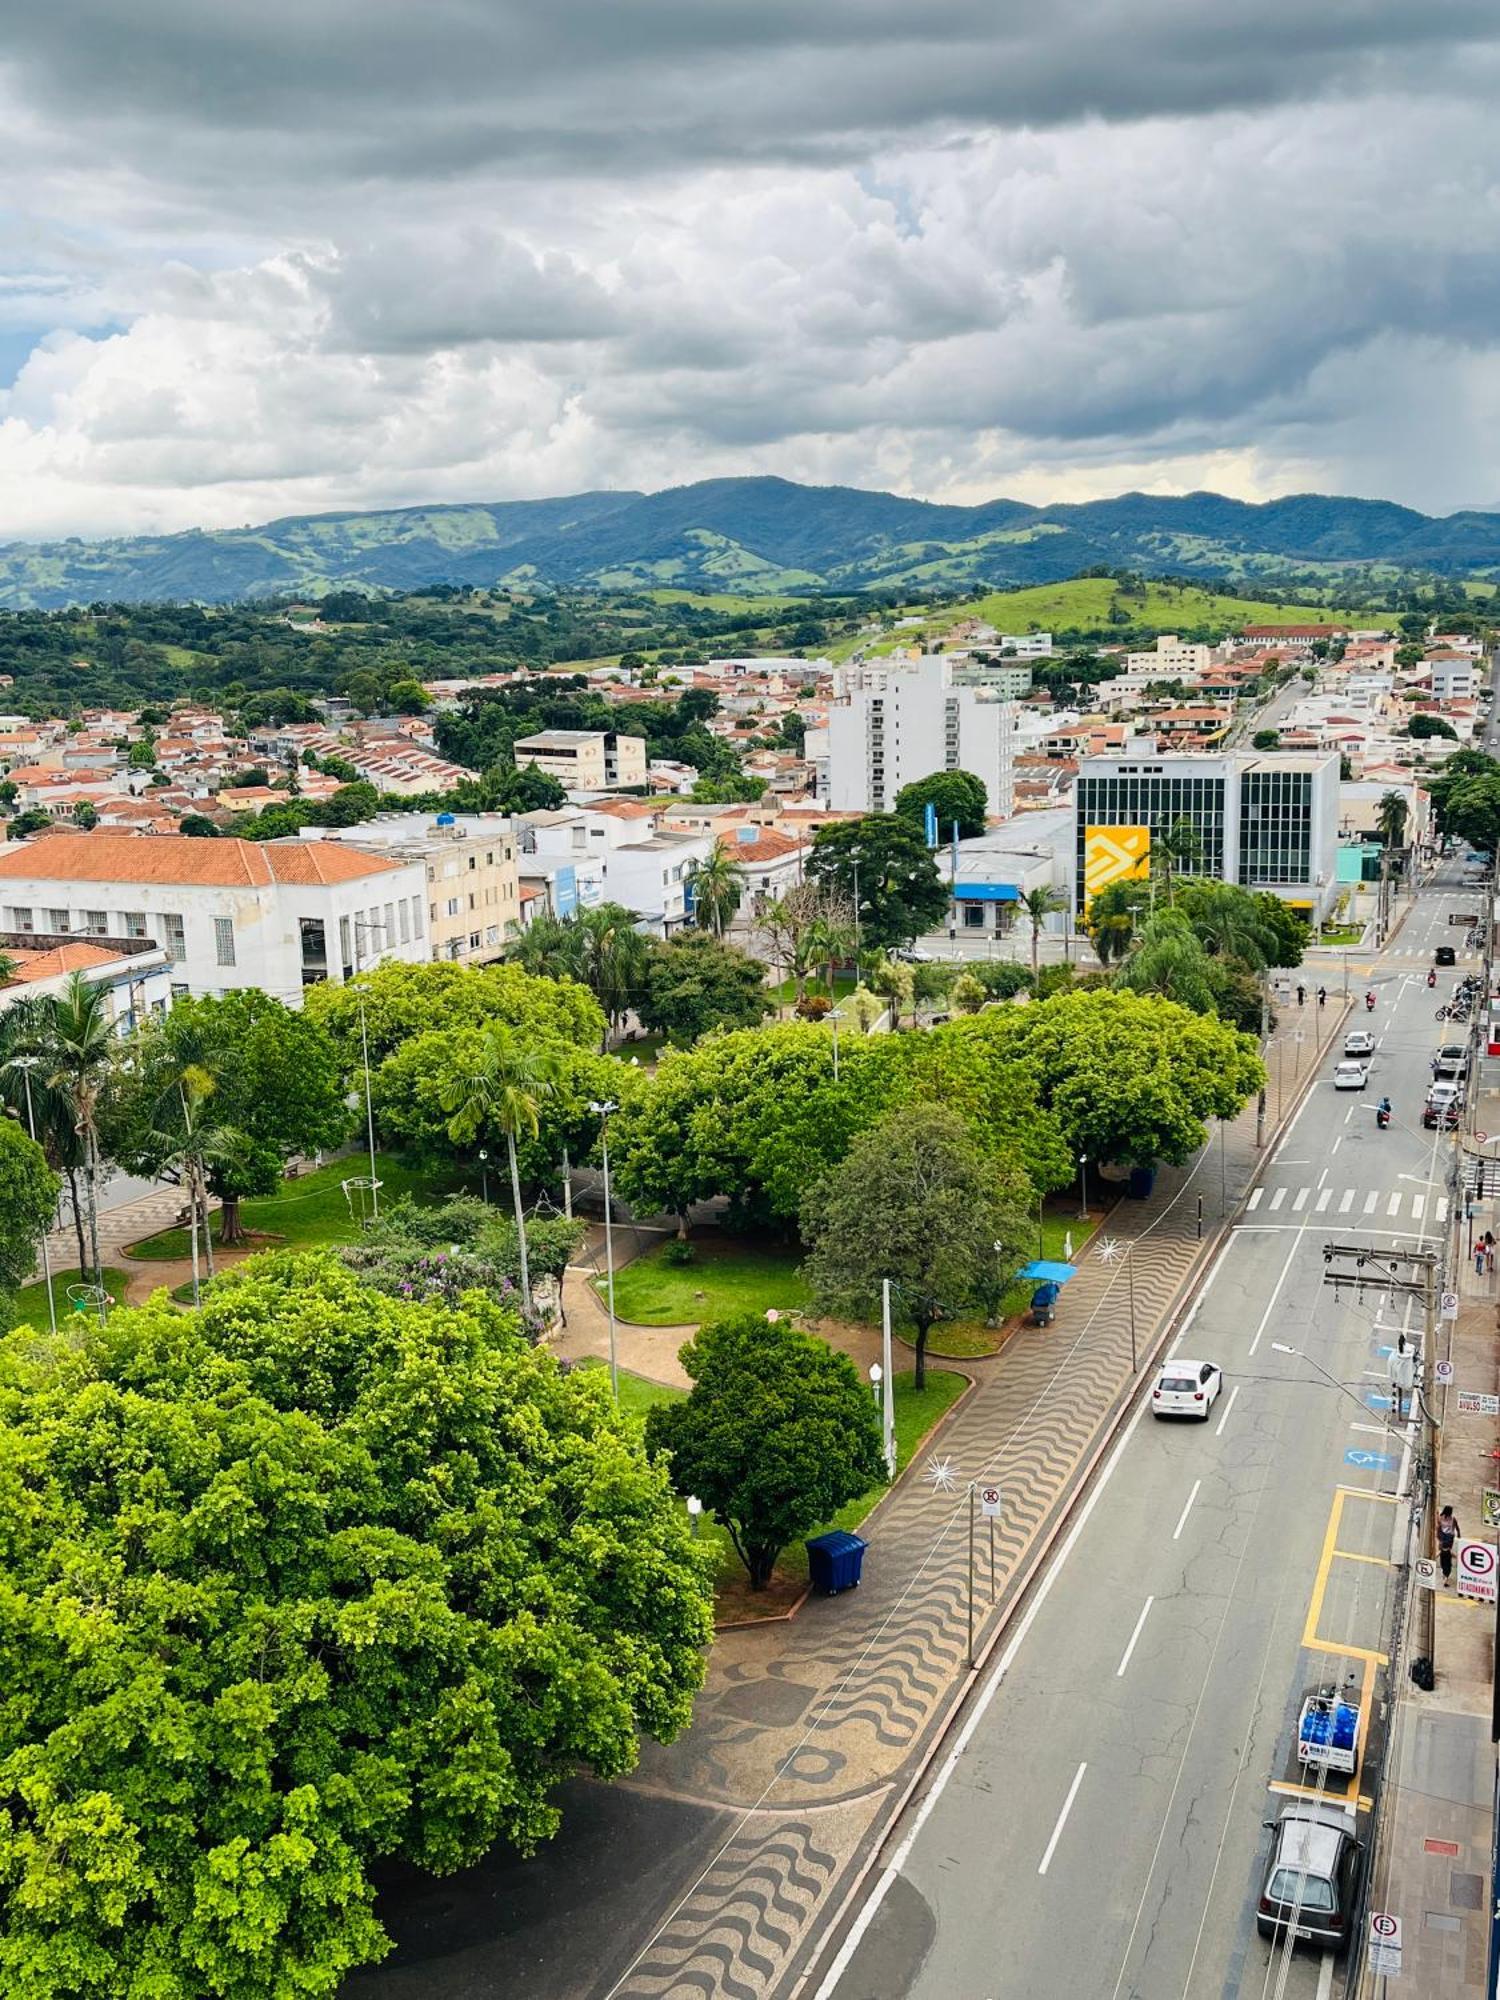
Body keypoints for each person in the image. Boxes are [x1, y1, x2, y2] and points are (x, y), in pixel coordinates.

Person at [1387, 1332, 1417, 1422]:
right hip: (1403, 1381)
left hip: (1401, 1380)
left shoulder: (1394, 1357)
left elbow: (1391, 1372)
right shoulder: (1403, 1360)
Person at [1438, 1504, 1460, 1585]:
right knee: (1444, 1550)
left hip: (1450, 1536)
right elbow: (1439, 1527)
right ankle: (1445, 1575)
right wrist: (1439, 1536)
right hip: (1443, 1535)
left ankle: (1445, 1576)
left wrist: (1458, 1533)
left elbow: (1457, 1526)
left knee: (1446, 1550)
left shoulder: (1453, 1518)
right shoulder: (1441, 1518)